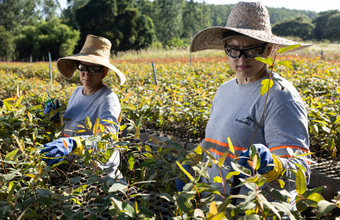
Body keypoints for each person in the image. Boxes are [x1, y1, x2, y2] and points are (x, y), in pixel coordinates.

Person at [180, 0, 311, 211]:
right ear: (225, 49)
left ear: (269, 49)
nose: (241, 59)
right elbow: (213, 143)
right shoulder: (223, 90)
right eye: (233, 49)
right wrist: (193, 159)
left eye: (251, 50)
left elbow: (300, 173)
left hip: (259, 212)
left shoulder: (281, 97)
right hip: (219, 209)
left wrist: (273, 166)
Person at [40, 34, 126, 179]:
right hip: (74, 173)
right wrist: (55, 121)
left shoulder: (108, 100)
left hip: (100, 177)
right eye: (82, 67)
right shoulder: (76, 93)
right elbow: (70, 130)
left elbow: (107, 140)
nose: (86, 73)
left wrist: (73, 144)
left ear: (104, 72)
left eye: (94, 69)